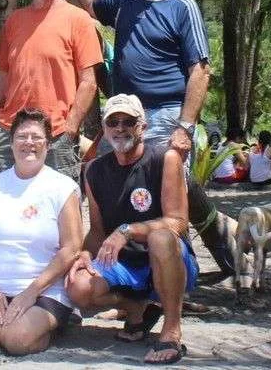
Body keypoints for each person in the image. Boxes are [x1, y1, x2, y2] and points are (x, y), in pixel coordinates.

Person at [66, 0, 235, 274]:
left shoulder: (182, 7)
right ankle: (123, 278)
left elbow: (200, 70)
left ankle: (173, 286)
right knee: (113, 190)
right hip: (122, 117)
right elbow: (91, 2)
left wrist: (186, 127)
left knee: (167, 201)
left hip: (165, 114)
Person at [66, 94, 198, 365]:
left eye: (128, 121)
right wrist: (82, 254)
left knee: (161, 237)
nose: (120, 127)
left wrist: (129, 230)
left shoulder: (165, 159)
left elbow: (178, 222)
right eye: (113, 122)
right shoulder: (93, 171)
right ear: (104, 129)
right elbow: (98, 231)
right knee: (77, 286)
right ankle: (136, 309)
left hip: (170, 259)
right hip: (126, 263)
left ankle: (171, 331)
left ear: (143, 126)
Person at [0, 109, 83, 356]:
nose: (29, 143)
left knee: (16, 341)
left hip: (44, 290)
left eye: (37, 137)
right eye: (22, 136)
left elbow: (71, 248)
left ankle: (55, 325)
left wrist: (31, 292)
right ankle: (6, 321)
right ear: (11, 142)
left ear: (48, 145)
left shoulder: (63, 188)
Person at [0, 0, 101, 179]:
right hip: (9, 132)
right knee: (6, 208)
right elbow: (3, 74)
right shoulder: (14, 20)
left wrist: (70, 128)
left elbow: (89, 82)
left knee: (58, 212)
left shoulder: (78, 20)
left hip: (56, 135)